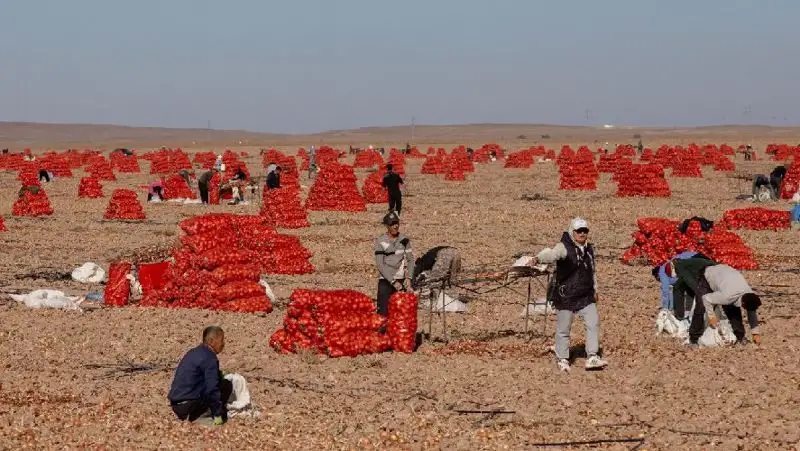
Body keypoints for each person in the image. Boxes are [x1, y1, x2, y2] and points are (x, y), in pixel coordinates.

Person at [530, 217, 607, 372]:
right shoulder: (563, 247)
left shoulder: (589, 249)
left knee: (593, 323)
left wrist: (595, 289)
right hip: (566, 295)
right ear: (572, 231)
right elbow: (551, 255)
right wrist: (538, 258)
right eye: (579, 231)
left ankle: (592, 356)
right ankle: (562, 358)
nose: (582, 234)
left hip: (585, 295)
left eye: (585, 230)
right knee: (563, 329)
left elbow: (592, 271)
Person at [672, 258, 762, 346]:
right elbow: (706, 299)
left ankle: (740, 337)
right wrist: (712, 317)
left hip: (725, 275)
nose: (748, 310)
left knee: (733, 310)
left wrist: (755, 332)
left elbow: (751, 312)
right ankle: (694, 339)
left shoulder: (749, 294)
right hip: (707, 275)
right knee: (701, 306)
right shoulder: (728, 296)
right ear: (743, 303)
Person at [168, 326, 232, 424]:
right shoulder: (210, 358)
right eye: (221, 340)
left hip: (176, 405)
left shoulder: (194, 352)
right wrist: (217, 413)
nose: (223, 344)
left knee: (217, 380)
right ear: (211, 341)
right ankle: (205, 415)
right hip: (189, 406)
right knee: (225, 385)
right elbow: (212, 389)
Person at [373, 212, 413, 316]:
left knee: (400, 315)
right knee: (383, 314)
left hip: (401, 280)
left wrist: (409, 278)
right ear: (387, 226)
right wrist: (393, 282)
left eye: (397, 223)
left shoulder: (404, 240)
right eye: (392, 224)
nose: (395, 226)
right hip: (386, 281)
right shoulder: (380, 241)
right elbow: (380, 265)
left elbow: (410, 260)